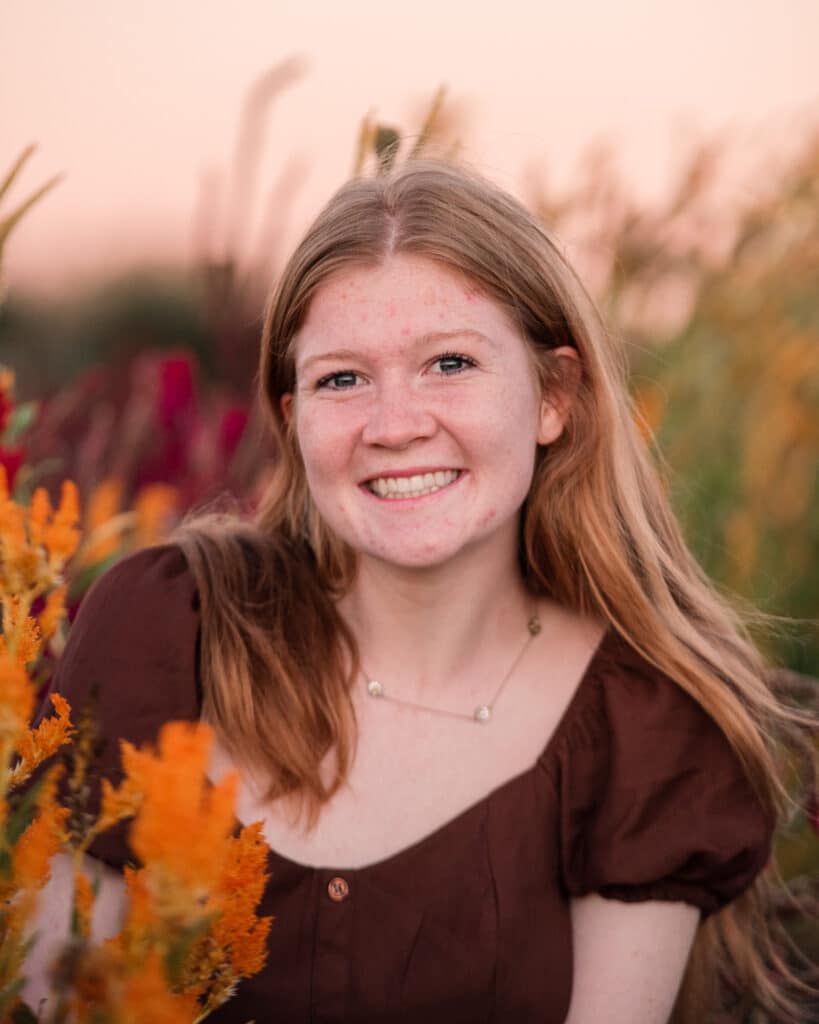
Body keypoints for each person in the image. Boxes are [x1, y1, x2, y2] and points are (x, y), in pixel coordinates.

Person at [27, 160, 812, 1023]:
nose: (394, 425)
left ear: (554, 397)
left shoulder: (643, 729)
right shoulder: (166, 634)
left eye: (449, 362)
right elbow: (54, 1001)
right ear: (292, 418)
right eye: (341, 379)